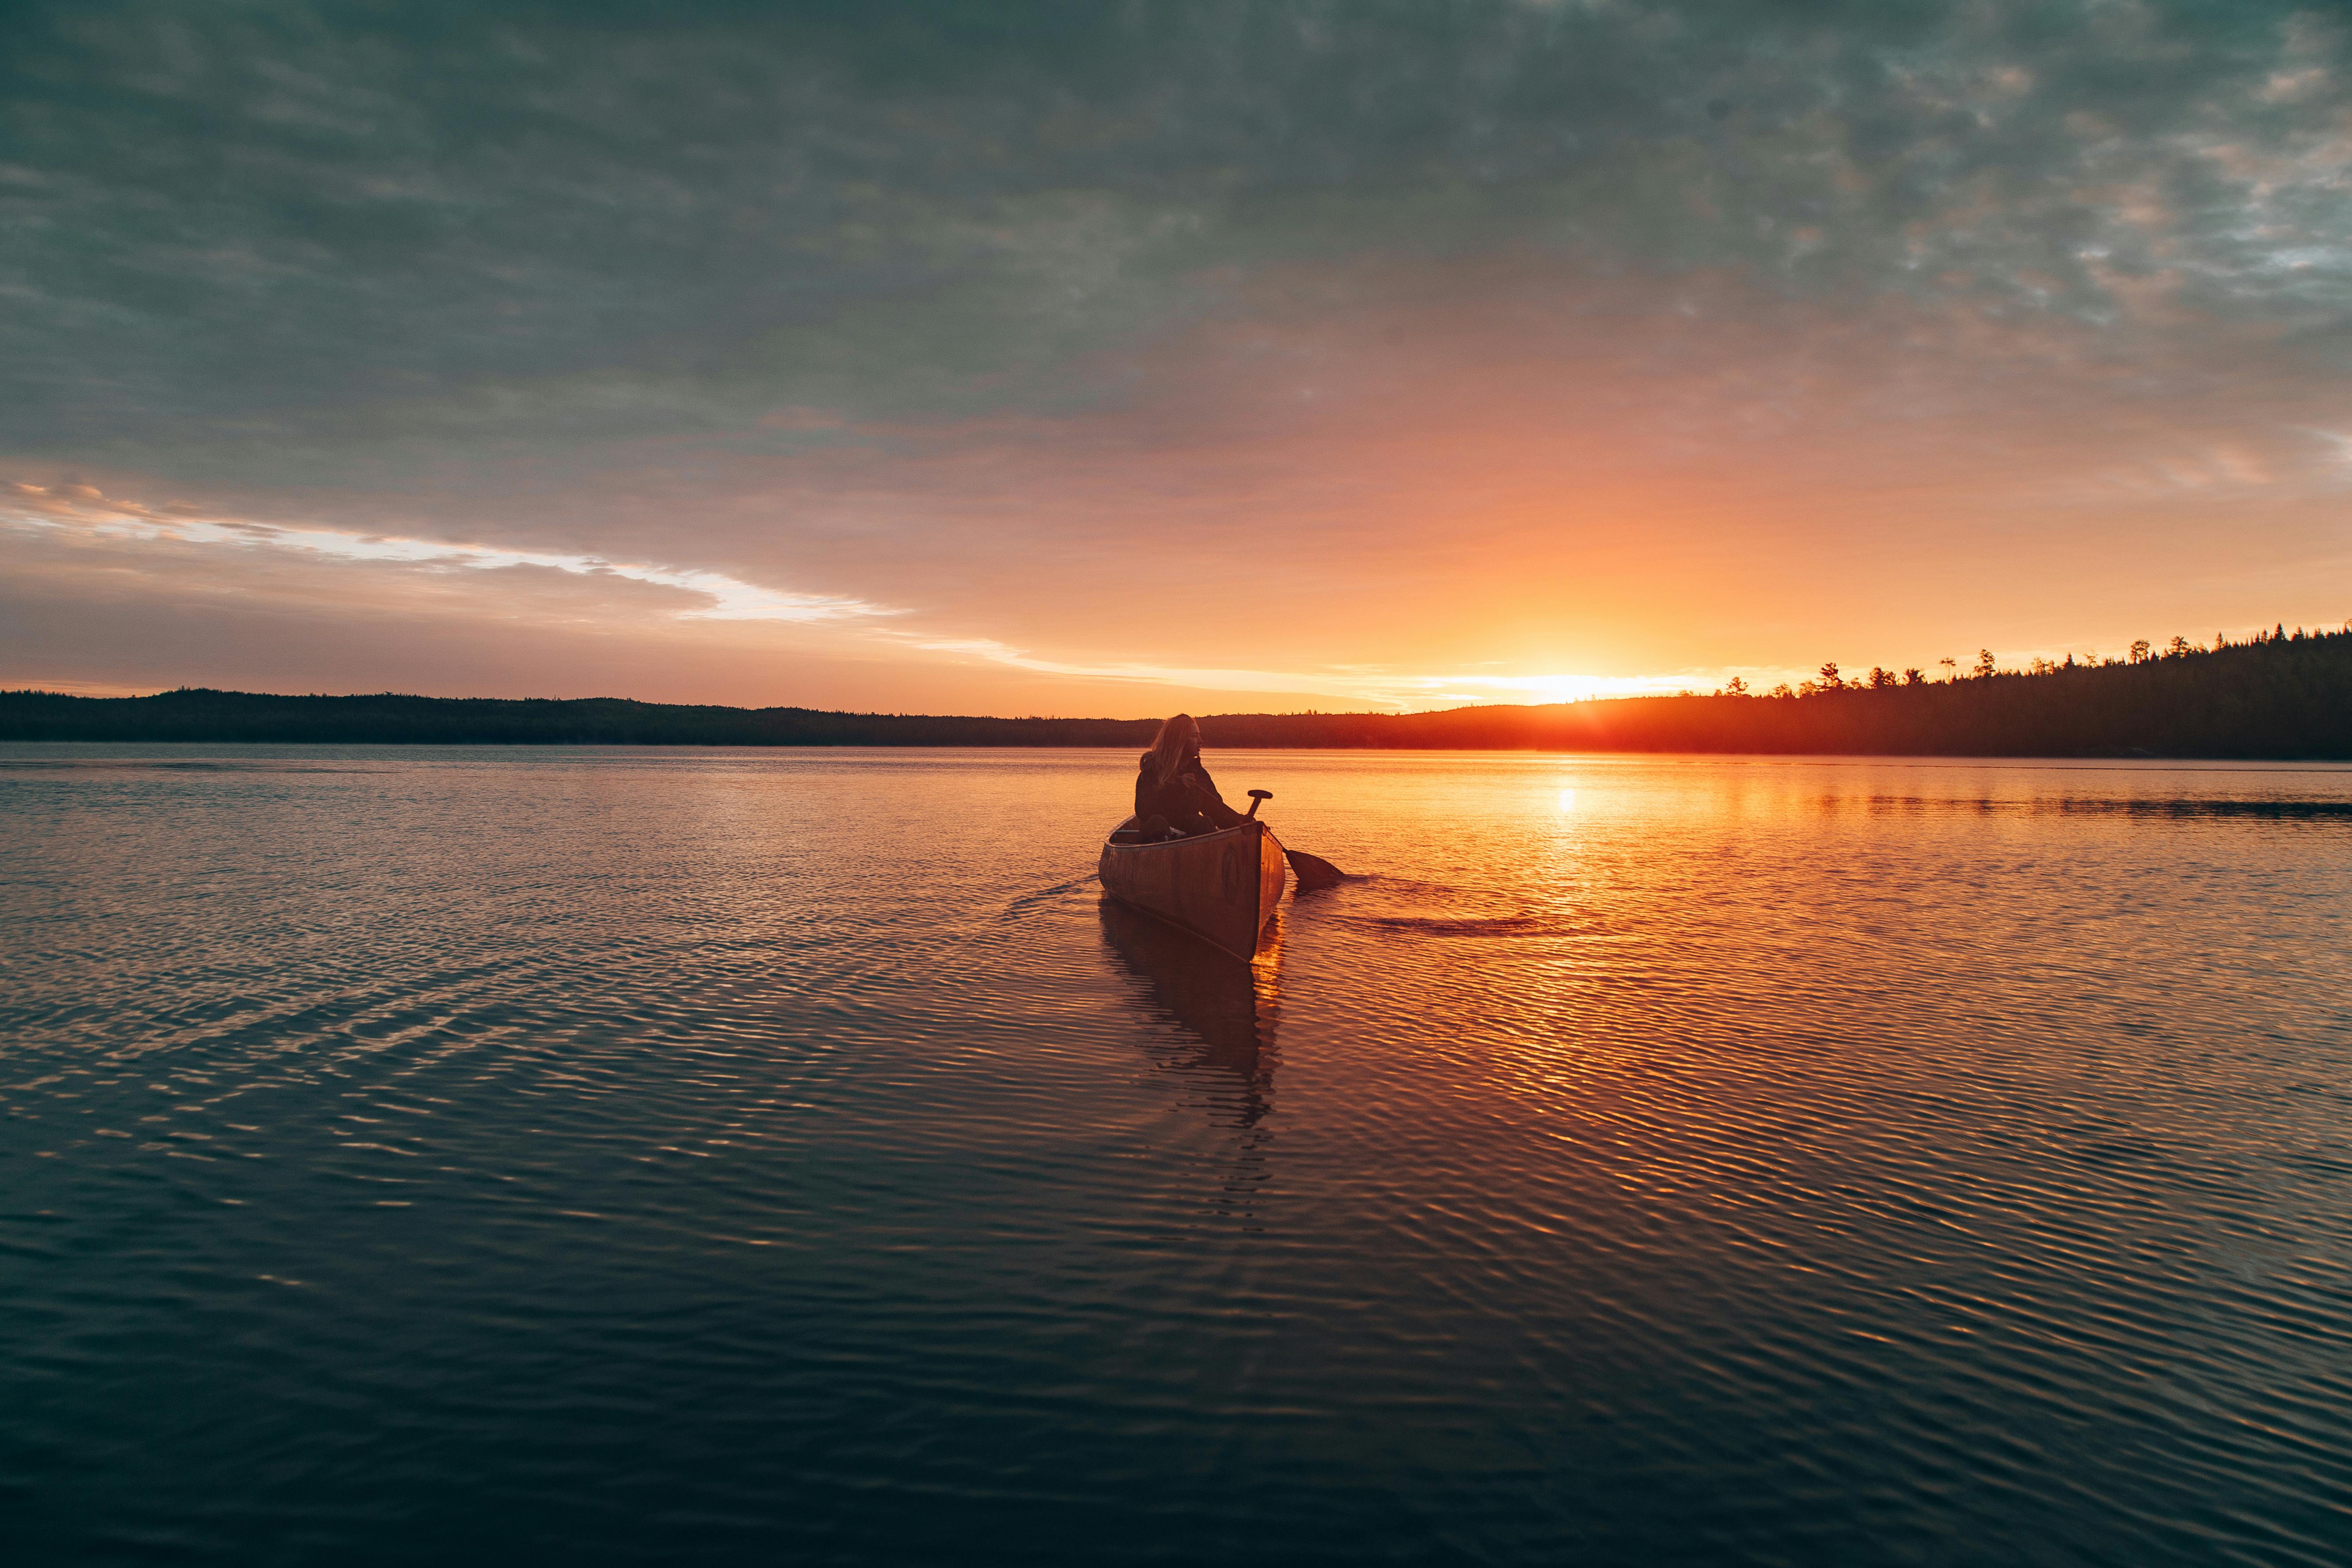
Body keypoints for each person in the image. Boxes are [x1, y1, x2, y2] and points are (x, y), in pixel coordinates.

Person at [1133, 714, 1246, 838]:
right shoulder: (1152, 772)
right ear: (1179, 740)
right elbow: (1144, 811)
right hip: (1158, 838)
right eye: (1194, 736)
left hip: (1191, 839)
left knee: (1204, 822)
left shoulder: (1200, 775)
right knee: (1157, 822)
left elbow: (1215, 811)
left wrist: (1240, 821)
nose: (1201, 741)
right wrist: (1177, 789)